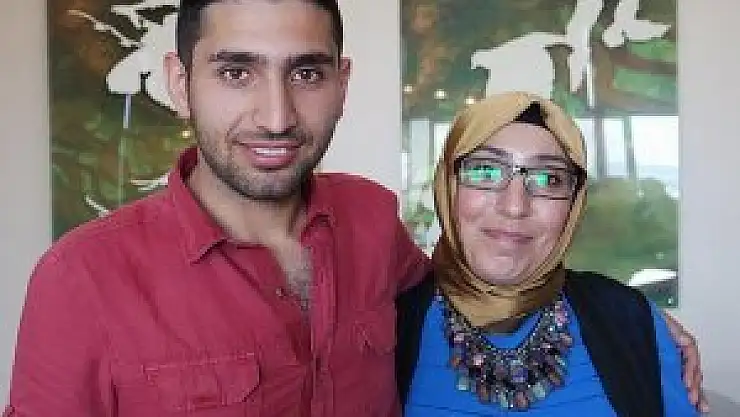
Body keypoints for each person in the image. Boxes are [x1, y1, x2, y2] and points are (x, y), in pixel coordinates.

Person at [3, 2, 704, 417]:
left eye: (305, 73)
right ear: (180, 84)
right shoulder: (81, 279)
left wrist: (633, 323)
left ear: (341, 84)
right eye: (236, 71)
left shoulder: (370, 221)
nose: (276, 115)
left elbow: (484, 274)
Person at [396, 91, 701, 416]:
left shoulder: (631, 322)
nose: (515, 206)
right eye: (486, 171)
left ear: (574, 204)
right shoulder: (389, 327)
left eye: (548, 179)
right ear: (448, 185)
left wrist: (637, 316)